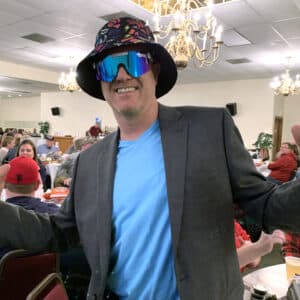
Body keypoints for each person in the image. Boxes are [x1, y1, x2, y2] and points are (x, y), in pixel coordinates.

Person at [2, 17, 300, 300]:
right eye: (109, 66)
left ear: (154, 70)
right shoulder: (89, 163)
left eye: (133, 61)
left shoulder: (209, 130)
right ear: (101, 81)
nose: (121, 74)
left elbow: (268, 209)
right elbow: (58, 234)